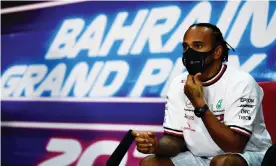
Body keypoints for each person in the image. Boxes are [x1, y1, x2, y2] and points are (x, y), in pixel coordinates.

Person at [131, 23, 272, 166]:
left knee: (223, 162)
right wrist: (157, 146)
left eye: (198, 46)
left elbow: (234, 146)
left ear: (217, 52)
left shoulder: (242, 82)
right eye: (186, 47)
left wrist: (199, 103)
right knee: (150, 163)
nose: (189, 53)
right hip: (199, 158)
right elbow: (175, 140)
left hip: (247, 155)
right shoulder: (178, 83)